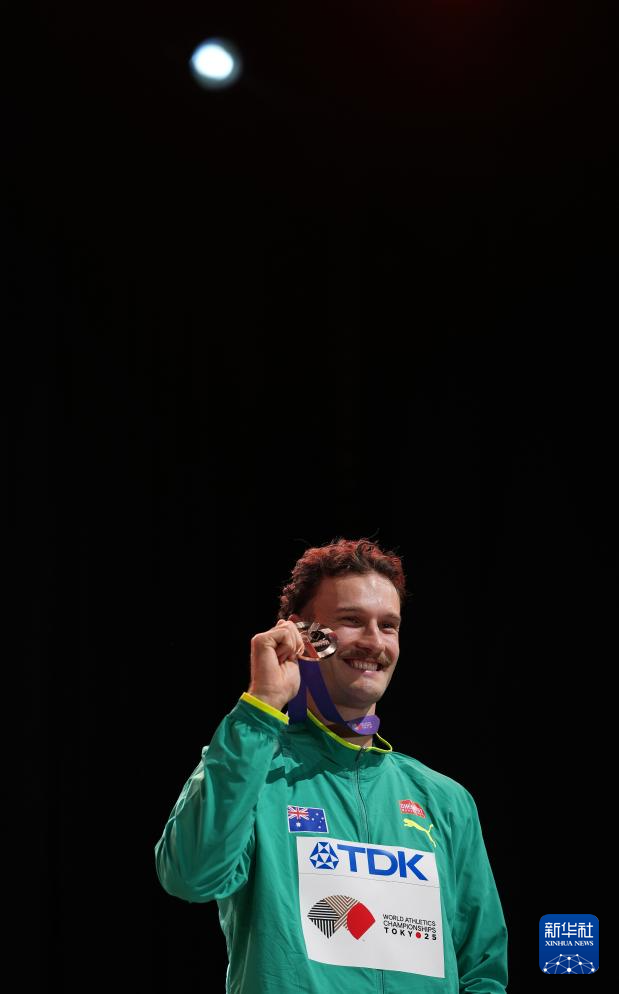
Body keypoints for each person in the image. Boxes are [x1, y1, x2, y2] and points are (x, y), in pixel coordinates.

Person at [155, 538, 508, 993]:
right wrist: (262, 705)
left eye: (388, 625)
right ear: (302, 636)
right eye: (352, 621)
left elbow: (482, 971)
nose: (374, 642)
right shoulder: (252, 771)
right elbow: (190, 876)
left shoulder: (444, 799)